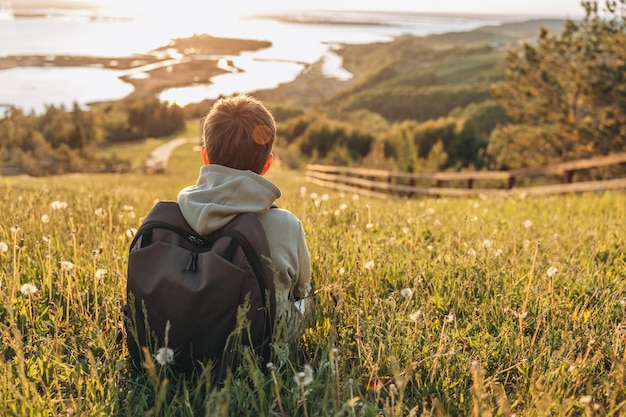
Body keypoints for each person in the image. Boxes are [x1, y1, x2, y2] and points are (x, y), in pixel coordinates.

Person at [177, 93, 312, 335]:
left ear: (205, 156)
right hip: (263, 349)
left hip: (180, 340)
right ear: (267, 164)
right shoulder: (288, 225)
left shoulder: (173, 216)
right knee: (309, 301)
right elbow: (301, 291)